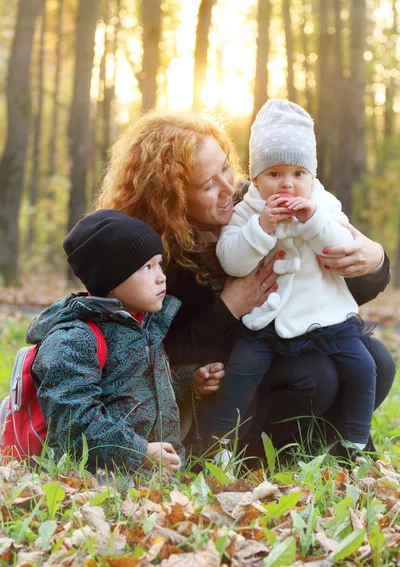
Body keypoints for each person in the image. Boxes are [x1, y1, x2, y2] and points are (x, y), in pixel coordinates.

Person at [96, 110, 395, 455]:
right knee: (315, 378)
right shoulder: (153, 254)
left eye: (225, 167)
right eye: (209, 184)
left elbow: (332, 287)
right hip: (226, 375)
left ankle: (330, 448)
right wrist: (229, 307)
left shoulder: (256, 201)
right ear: (171, 196)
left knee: (378, 362)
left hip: (290, 333)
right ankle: (255, 453)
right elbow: (157, 349)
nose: (229, 188)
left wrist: (374, 259)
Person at [214, 99, 378, 459]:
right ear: (255, 178)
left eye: (297, 174)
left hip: (325, 316)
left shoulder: (324, 204)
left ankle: (354, 441)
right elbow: (232, 260)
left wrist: (314, 220)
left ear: (312, 176)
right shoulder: (247, 211)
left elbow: (342, 248)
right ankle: (218, 442)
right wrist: (262, 228)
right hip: (266, 321)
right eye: (274, 175)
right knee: (241, 372)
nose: (286, 185)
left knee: (365, 367)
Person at [27, 210, 223, 472]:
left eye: (159, 264)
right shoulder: (73, 339)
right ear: (111, 279)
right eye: (146, 267)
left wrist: (188, 382)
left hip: (147, 484)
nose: (161, 276)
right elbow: (73, 420)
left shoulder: (143, 326)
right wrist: (139, 451)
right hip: (95, 487)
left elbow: (134, 392)